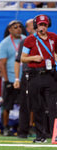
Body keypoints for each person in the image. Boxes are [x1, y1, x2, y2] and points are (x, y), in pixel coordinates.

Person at [21, 14, 57, 143]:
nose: (43, 27)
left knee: (53, 107)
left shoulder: (54, 37)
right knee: (37, 106)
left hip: (50, 75)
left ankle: (55, 135)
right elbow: (23, 58)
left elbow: (56, 54)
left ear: (48, 25)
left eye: (45, 25)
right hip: (35, 75)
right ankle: (41, 135)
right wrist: (33, 58)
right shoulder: (30, 40)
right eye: (40, 24)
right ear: (36, 26)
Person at [0, 20, 26, 136]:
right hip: (10, 79)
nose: (18, 29)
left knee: (27, 105)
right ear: (9, 30)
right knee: (7, 106)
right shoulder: (4, 43)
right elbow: (2, 64)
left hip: (24, 78)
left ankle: (26, 127)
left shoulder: (26, 39)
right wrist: (7, 80)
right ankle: (5, 128)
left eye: (20, 27)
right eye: (15, 27)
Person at [14, 19, 35, 139]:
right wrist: (17, 78)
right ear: (27, 29)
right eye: (33, 25)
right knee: (25, 104)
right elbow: (17, 61)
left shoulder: (46, 40)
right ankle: (23, 130)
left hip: (43, 74)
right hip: (27, 75)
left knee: (42, 104)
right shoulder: (25, 41)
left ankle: (44, 130)